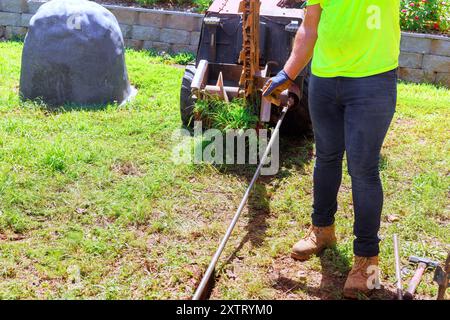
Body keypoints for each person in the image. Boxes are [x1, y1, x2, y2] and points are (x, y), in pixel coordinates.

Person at [263, 0, 400, 298]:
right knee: (325, 158)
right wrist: (287, 73)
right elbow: (309, 27)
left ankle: (367, 258)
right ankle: (322, 230)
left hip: (371, 82)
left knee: (363, 169)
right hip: (324, 81)